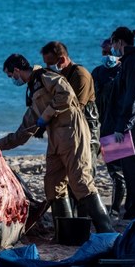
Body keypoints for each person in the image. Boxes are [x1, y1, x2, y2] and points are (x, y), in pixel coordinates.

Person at [0, 54, 113, 234]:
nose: (12, 80)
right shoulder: (33, 90)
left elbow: (66, 94)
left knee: (81, 183)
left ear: (17, 70)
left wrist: (46, 114)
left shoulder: (46, 76)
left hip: (72, 133)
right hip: (56, 140)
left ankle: (107, 232)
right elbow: (23, 133)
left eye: (11, 76)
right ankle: (66, 235)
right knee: (53, 185)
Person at [41, 41, 100, 178]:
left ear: (62, 59)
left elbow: (76, 108)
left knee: (85, 173)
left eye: (50, 63)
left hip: (87, 128)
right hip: (71, 128)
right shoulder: (61, 76)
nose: (48, 68)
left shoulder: (80, 75)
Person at [108, 26, 135, 219]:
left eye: (113, 42)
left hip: (132, 124)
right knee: (127, 167)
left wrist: (122, 126)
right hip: (127, 122)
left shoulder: (134, 61)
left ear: (120, 42)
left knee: (133, 167)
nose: (112, 47)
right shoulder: (128, 61)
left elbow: (133, 96)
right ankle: (131, 207)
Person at [91, 38, 125, 217]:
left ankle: (116, 210)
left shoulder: (123, 72)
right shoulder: (97, 72)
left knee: (116, 172)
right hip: (97, 127)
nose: (107, 56)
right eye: (104, 53)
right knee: (88, 169)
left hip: (115, 129)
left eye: (110, 52)